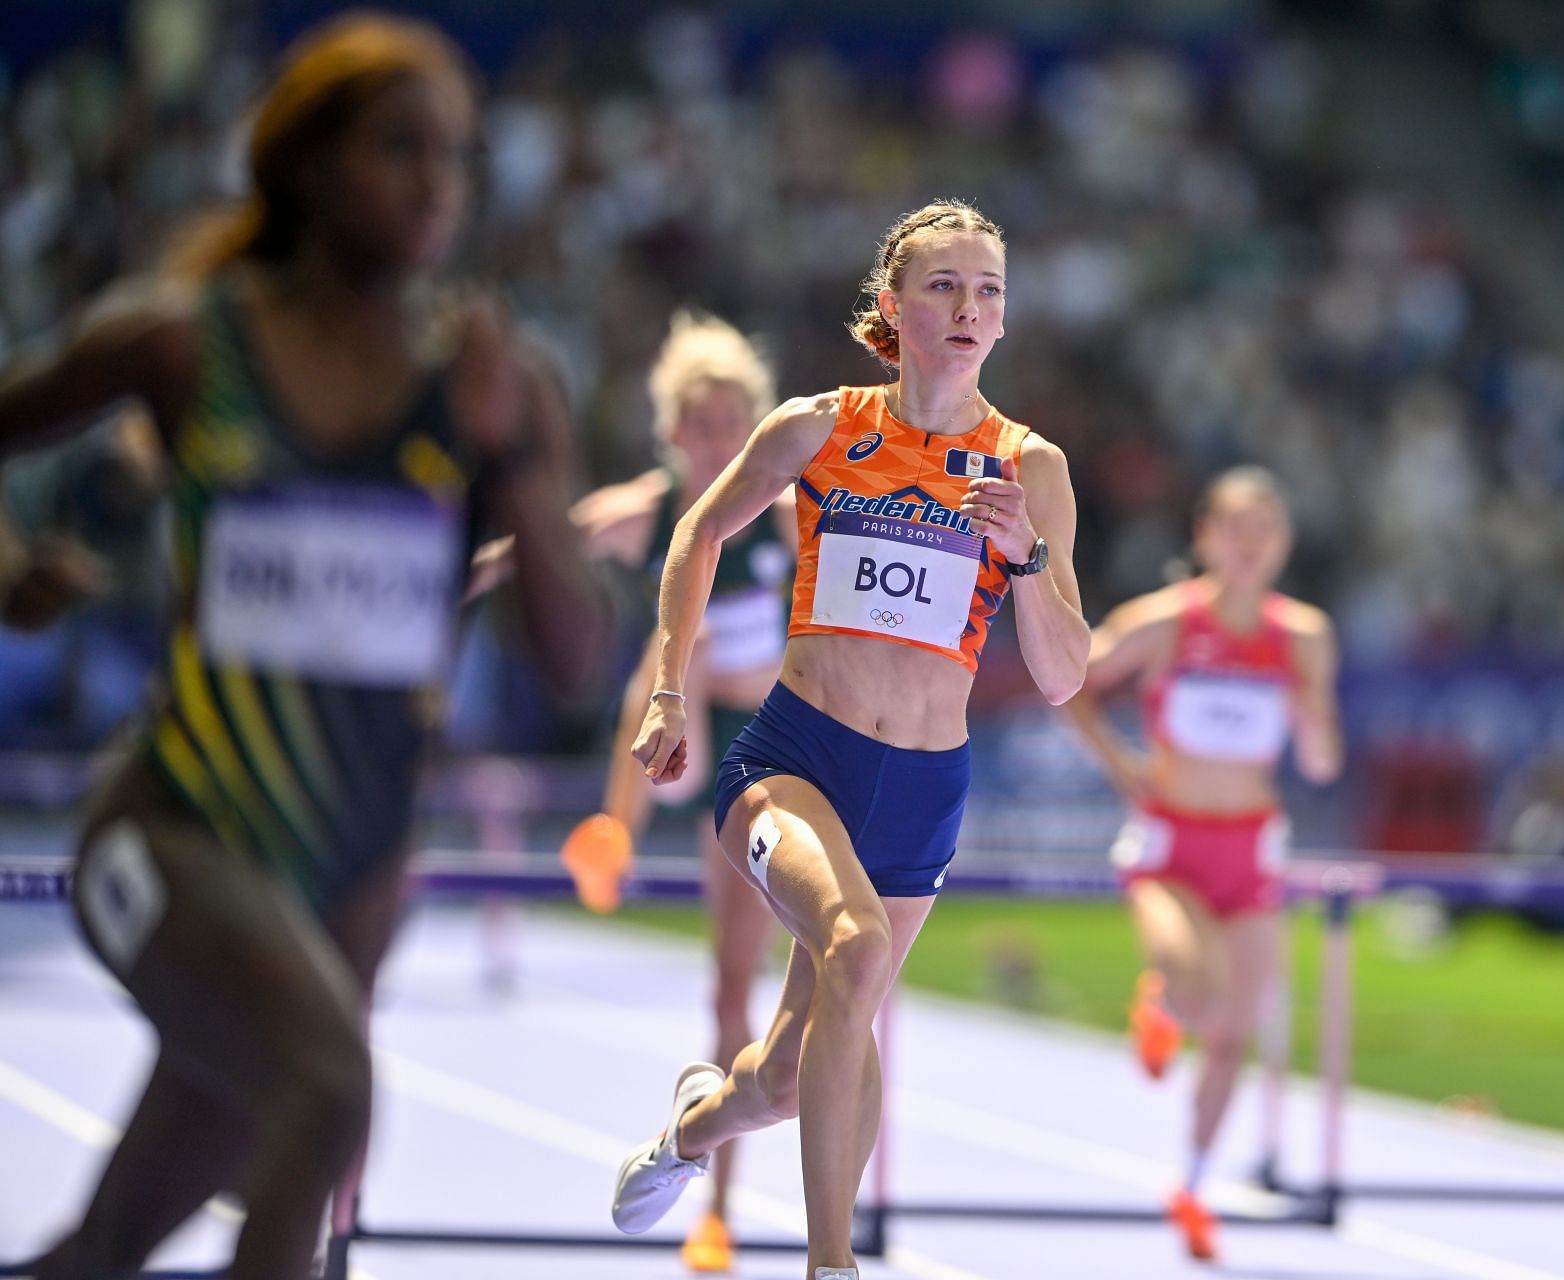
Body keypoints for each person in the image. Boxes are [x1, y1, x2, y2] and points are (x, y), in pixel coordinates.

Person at [0, 15, 609, 1279]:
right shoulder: (184, 339)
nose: (438, 185)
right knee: (329, 1093)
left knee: (115, 1240)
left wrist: (512, 464)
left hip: (349, 872)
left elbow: (575, 662)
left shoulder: (489, 382)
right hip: (171, 837)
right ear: (311, 163)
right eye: (402, 149)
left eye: (455, 157)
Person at [608, 199, 1090, 1279]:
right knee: (860, 953)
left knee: (784, 1075)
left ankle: (691, 1126)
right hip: (794, 761)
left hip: (922, 790)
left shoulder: (1029, 466)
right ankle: (835, 1262)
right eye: (945, 285)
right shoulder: (819, 428)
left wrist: (1022, 559)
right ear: (893, 305)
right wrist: (671, 690)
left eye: (990, 291)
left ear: (1005, 323)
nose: (969, 308)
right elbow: (698, 532)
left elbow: (1064, 675)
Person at [471, 309, 793, 1273]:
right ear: (672, 430)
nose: (717, 438)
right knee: (661, 656)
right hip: (677, 727)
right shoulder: (653, 510)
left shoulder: (782, 511)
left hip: (765, 748)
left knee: (732, 990)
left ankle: (719, 1209)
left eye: (734, 419)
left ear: (754, 424)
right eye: (699, 422)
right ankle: (614, 828)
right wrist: (446, 576)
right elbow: (541, 548)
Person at [1063, 466, 1343, 1261]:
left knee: (1235, 1031)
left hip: (1250, 847)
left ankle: (1190, 1185)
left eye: (1266, 529)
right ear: (1205, 537)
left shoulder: (1304, 636)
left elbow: (1322, 761)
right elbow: (1069, 680)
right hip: (1171, 845)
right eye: (1236, 528)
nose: (1251, 544)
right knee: (1197, 989)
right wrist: (1119, 761)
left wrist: (1311, 711)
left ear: (1283, 545)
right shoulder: (1165, 624)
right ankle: (1161, 1006)